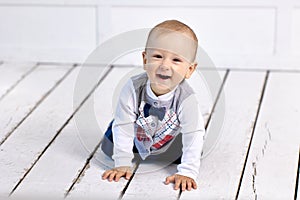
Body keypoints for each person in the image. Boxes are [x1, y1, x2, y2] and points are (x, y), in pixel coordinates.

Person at [101, 19, 205, 191]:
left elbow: (193, 133)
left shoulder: (187, 99)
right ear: (145, 59)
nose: (165, 65)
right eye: (157, 56)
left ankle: (159, 154)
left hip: (168, 139)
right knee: (109, 144)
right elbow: (124, 125)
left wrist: (187, 172)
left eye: (176, 60)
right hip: (135, 133)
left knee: (192, 147)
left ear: (190, 70)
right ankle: (133, 150)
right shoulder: (133, 88)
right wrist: (122, 162)